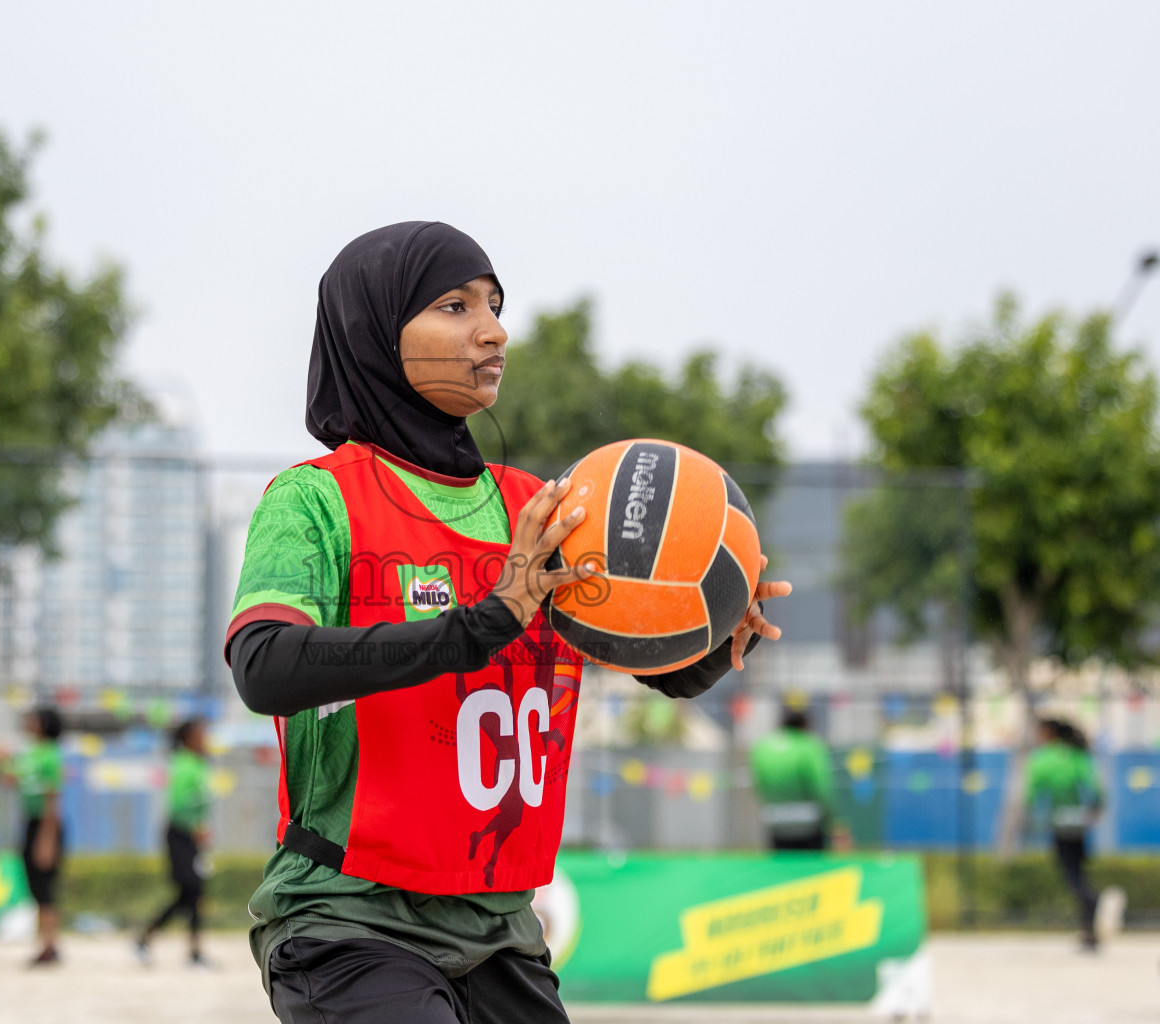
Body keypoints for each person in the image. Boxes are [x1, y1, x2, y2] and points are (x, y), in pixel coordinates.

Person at [225, 221, 793, 1023]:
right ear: (377, 334)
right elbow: (264, 666)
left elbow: (648, 663)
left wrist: (711, 637)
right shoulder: (315, 500)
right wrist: (484, 621)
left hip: (500, 931)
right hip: (350, 920)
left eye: (494, 304)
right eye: (454, 307)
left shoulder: (537, 504)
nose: (492, 330)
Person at [135, 718, 212, 967]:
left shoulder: (199, 764)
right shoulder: (182, 764)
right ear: (189, 737)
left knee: (193, 892)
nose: (206, 738)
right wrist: (196, 827)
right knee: (189, 889)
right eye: (201, 733)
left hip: (192, 836)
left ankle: (192, 951)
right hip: (179, 834)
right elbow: (179, 804)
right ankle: (148, 938)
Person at [1025, 717, 1104, 951]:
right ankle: (1089, 930)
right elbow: (1096, 788)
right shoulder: (1078, 755)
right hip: (1080, 822)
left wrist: (1030, 818)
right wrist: (1095, 809)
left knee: (1072, 875)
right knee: (1079, 870)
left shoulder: (1043, 758)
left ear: (1049, 733)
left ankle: (1092, 901)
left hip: (1059, 822)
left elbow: (1032, 792)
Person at [5, 706, 65, 966]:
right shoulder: (30, 754)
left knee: (45, 888)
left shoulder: (50, 756)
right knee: (36, 887)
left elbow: (53, 799)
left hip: (45, 824)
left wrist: (47, 839)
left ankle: (50, 945)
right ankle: (45, 944)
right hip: (30, 823)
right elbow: (12, 779)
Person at [749, 705, 847, 851]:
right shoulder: (809, 745)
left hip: (775, 818)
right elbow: (821, 787)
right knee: (811, 867)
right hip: (809, 819)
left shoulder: (763, 746)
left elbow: (758, 783)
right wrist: (833, 818)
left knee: (781, 865)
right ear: (805, 725)